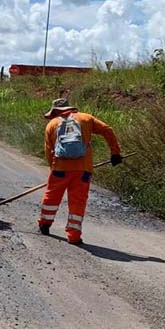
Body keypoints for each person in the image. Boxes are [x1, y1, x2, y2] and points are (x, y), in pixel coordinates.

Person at [38, 98, 122, 244]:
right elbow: (107, 130)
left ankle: (44, 224)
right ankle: (74, 236)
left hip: (60, 169)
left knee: (51, 197)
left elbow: (49, 151)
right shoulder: (86, 119)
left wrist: (53, 168)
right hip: (83, 170)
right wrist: (115, 153)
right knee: (78, 202)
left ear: (55, 111)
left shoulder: (52, 124)